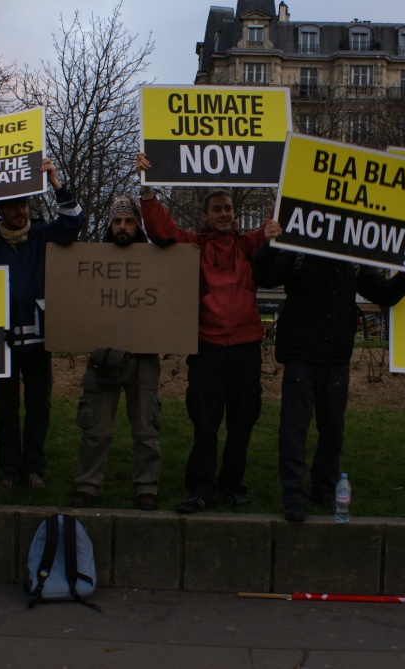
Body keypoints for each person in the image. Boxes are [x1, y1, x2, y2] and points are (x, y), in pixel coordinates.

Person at [255, 221, 405, 521]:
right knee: (294, 429)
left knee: (333, 431)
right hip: (301, 356)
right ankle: (293, 494)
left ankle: (323, 490)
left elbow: (385, 293)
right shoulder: (297, 251)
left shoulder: (352, 259)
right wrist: (269, 244)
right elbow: (265, 276)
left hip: (335, 358)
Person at [136, 152, 269, 513]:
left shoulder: (248, 245)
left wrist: (290, 177)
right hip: (207, 348)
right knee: (205, 425)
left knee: (242, 423)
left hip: (246, 348)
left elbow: (278, 222)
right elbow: (162, 231)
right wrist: (147, 189)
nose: (225, 214)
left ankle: (232, 484)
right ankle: (201, 488)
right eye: (217, 209)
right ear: (206, 216)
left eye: (228, 208)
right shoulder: (195, 246)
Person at [0, 158, 85, 491]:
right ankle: (10, 470)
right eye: (13, 206)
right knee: (6, 409)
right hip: (2, 340)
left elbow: (74, 222)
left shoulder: (43, 234)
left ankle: (34, 469)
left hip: (41, 337)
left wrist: (55, 182)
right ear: (0, 210)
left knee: (39, 406)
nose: (21, 211)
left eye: (24, 204)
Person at [71, 196, 162, 511]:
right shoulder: (95, 264)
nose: (122, 227)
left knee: (147, 428)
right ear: (110, 225)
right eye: (117, 221)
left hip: (143, 357)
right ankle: (88, 486)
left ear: (137, 226)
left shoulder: (155, 262)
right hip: (103, 356)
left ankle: (146, 488)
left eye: (129, 221)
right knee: (96, 428)